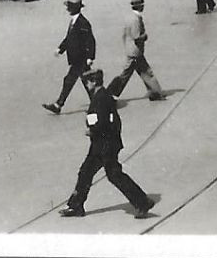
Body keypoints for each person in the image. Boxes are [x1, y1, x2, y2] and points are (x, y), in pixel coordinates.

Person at [58, 69, 156, 220]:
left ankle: (142, 202)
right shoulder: (102, 96)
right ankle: (76, 205)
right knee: (86, 172)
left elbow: (103, 122)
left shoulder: (101, 98)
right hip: (102, 144)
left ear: (94, 82)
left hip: (104, 145)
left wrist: (92, 131)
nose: (86, 84)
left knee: (113, 175)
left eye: (88, 81)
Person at [44, 0, 95, 114]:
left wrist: (90, 57)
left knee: (72, 80)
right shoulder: (74, 21)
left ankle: (58, 105)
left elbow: (90, 40)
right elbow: (69, 39)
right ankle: (97, 102)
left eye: (68, 7)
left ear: (73, 9)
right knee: (86, 81)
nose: (67, 9)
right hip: (76, 58)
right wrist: (60, 49)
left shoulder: (83, 23)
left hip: (80, 58)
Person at [109, 0, 165, 100]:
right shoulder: (135, 19)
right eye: (142, 5)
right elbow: (137, 36)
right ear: (140, 6)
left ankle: (155, 93)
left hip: (132, 51)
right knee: (127, 75)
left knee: (145, 73)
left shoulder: (129, 17)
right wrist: (145, 36)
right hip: (135, 52)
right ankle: (111, 95)